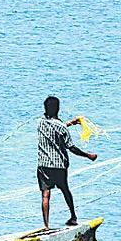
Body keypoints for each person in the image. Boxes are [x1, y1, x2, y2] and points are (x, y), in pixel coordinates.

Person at [37, 96, 97, 229]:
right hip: (59, 166)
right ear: (58, 109)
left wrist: (71, 123)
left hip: (43, 165)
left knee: (45, 194)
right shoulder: (61, 128)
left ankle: (46, 226)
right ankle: (73, 217)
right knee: (65, 190)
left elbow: (55, 125)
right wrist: (88, 155)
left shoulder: (40, 122)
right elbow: (71, 147)